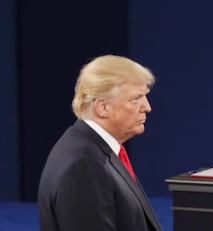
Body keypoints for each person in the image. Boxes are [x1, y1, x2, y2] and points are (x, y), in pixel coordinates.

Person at [37, 54, 162, 231]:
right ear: (102, 107)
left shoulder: (96, 149)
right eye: (136, 99)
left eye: (145, 97)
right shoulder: (83, 166)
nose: (147, 107)